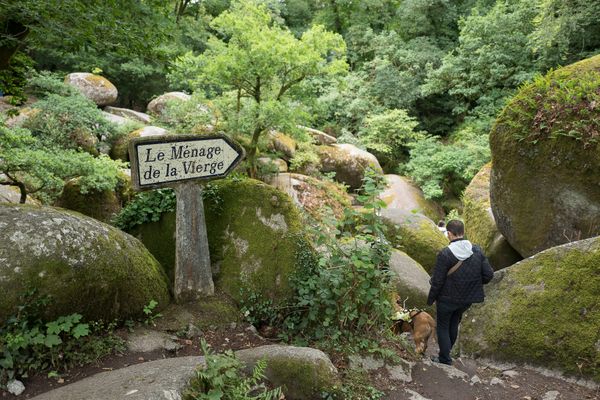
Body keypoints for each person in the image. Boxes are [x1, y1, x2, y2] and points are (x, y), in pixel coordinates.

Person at [427, 219, 494, 365]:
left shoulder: (445, 254)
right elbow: (488, 275)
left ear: (449, 234)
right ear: (463, 232)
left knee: (443, 326)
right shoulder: (476, 250)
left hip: (446, 298)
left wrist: (431, 299)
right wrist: (472, 285)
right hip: (466, 299)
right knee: (454, 322)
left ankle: (445, 358)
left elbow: (437, 281)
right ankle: (446, 353)